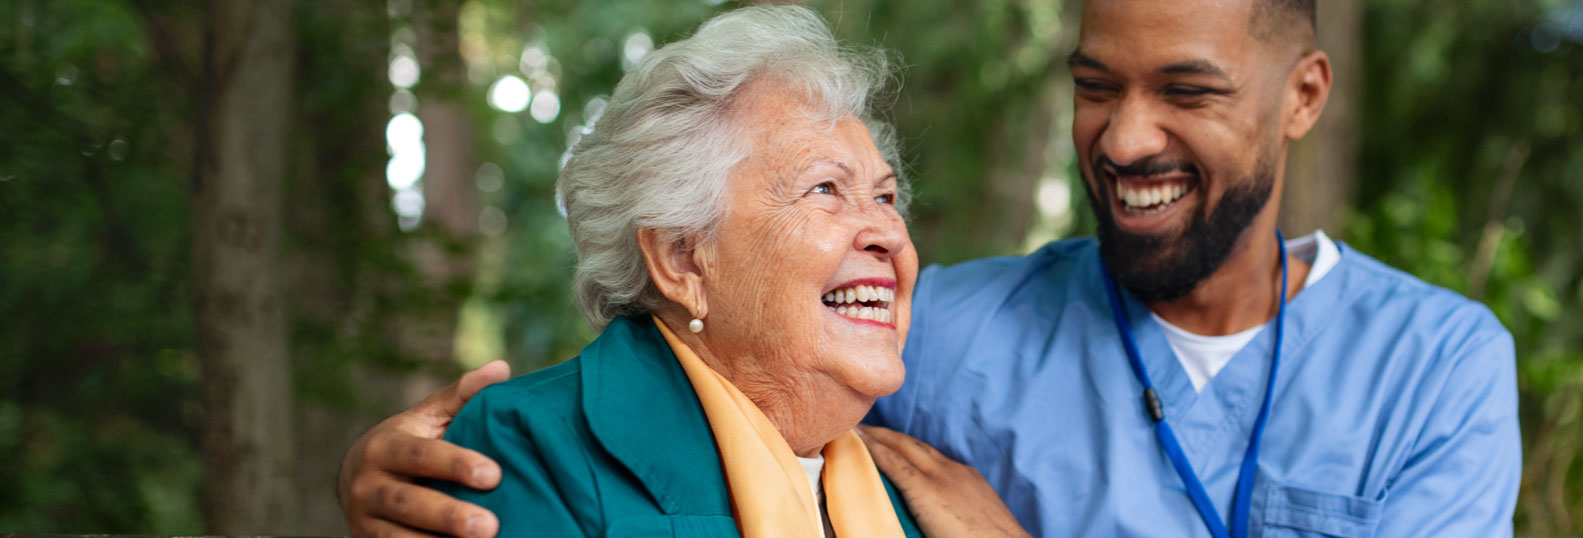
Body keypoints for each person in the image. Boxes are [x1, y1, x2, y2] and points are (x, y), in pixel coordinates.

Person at [339, 0, 1521, 536]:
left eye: (1189, 92)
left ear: (1303, 96)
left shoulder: (1443, 368)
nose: (1124, 138)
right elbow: (694, 382)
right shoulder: (938, 333)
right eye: (1094, 86)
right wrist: (400, 471)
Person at [379, 6, 940, 537]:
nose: (889, 234)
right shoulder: (528, 448)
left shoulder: (915, 497)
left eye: (886, 196)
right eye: (825, 189)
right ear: (684, 259)